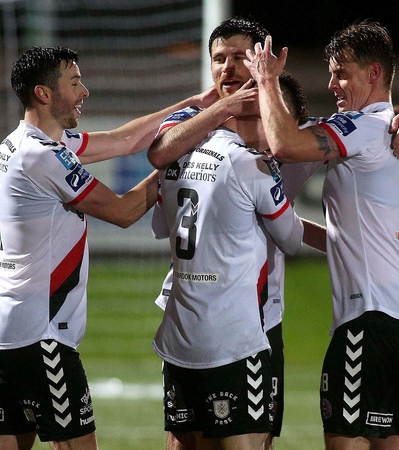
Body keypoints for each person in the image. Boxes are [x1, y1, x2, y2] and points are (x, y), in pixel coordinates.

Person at [147, 16, 399, 450]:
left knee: (255, 440)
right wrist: (220, 111)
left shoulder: (285, 135)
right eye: (218, 59)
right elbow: (158, 150)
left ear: (262, 62)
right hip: (190, 312)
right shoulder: (193, 126)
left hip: (259, 320)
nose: (227, 68)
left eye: (240, 57)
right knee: (185, 439)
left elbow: (357, 126)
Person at [245, 22, 399, 450]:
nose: (331, 83)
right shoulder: (391, 129)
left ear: (374, 73)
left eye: (341, 72)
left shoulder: (365, 128)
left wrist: (266, 79)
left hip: (372, 319)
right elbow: (349, 235)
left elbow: (284, 144)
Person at [0, 46, 168, 450]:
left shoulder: (23, 142)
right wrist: (173, 164)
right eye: (75, 82)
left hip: (0, 326)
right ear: (45, 94)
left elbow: (124, 139)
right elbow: (125, 211)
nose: (85, 92)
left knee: (6, 442)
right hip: (37, 332)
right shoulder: (43, 156)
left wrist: (202, 105)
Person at [151, 72, 312, 450]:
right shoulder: (253, 163)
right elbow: (291, 240)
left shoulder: (178, 151)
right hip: (237, 335)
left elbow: (162, 225)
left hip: (181, 333)